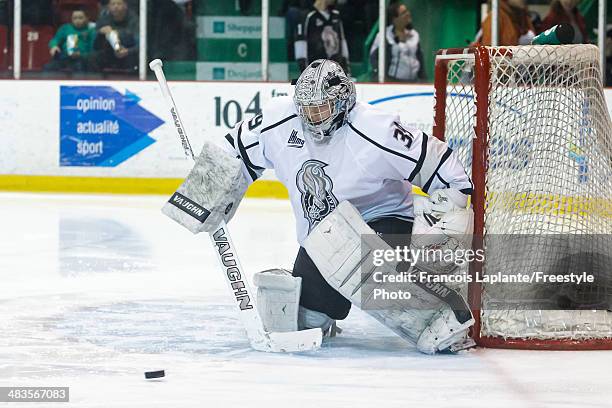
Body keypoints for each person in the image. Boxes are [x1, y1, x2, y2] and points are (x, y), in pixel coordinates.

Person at [166, 60, 476, 354]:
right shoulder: (279, 119)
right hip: (323, 237)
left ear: (342, 101)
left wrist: (441, 225)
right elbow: (233, 151)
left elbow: (446, 169)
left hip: (383, 221)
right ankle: (329, 306)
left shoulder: (377, 129)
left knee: (357, 262)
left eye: (321, 108)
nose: (312, 117)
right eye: (307, 110)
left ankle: (438, 311)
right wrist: (205, 191)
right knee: (306, 319)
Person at [369, 1, 425, 82]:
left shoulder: (414, 35)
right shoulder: (384, 35)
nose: (408, 14)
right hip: (393, 81)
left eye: (407, 11)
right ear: (395, 19)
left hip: (413, 82)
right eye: (403, 13)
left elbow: (420, 59)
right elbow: (373, 58)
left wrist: (423, 80)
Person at [294, 0, 350, 74]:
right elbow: (300, 45)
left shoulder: (336, 15)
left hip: (335, 71)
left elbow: (342, 41)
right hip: (315, 71)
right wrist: (305, 73)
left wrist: (346, 70)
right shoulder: (308, 16)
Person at [91, 0, 139, 73]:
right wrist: (100, 33)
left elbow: (140, 44)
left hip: (128, 52)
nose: (116, 6)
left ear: (125, 6)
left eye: (119, 4)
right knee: (94, 57)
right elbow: (95, 46)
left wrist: (128, 51)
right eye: (113, 4)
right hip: (109, 53)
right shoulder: (103, 19)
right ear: (108, 7)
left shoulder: (134, 20)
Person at [45, 8, 96, 72]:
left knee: (79, 66)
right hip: (64, 57)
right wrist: (54, 46)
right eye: (75, 18)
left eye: (80, 18)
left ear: (87, 18)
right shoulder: (65, 28)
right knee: (48, 67)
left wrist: (81, 55)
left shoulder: (91, 31)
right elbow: (55, 40)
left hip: (83, 60)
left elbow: (93, 51)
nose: (77, 21)